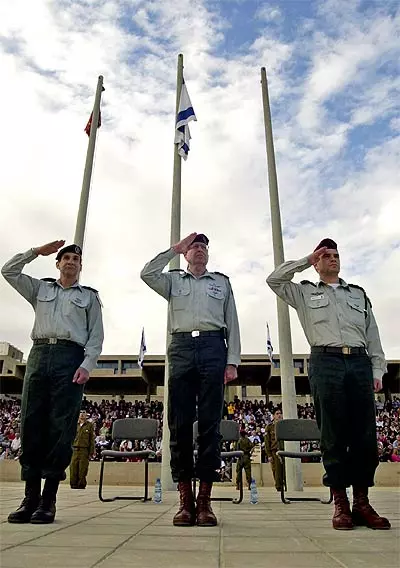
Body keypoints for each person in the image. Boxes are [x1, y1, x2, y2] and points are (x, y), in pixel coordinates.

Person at [267, 238, 390, 530]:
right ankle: (340, 503)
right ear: (318, 262)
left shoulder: (358, 294)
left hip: (359, 362)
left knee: (364, 435)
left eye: (335, 254)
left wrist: (377, 369)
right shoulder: (304, 292)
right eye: (326, 255)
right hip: (326, 361)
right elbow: (274, 279)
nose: (332, 259)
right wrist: (306, 259)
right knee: (332, 434)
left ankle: (361, 501)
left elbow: (372, 333)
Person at [141, 232, 241, 527]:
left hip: (213, 346)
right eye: (195, 246)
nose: (199, 250)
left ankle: (205, 501)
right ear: (186, 254)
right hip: (182, 347)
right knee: (180, 424)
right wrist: (174, 248)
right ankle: (185, 500)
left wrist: (232, 360)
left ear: (208, 255)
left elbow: (232, 320)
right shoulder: (173, 280)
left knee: (211, 425)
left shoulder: (221, 282)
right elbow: (146, 273)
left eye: (204, 247)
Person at [2, 241, 104, 524]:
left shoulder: (90, 297)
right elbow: (8, 271)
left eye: (76, 259)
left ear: (81, 267)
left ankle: (48, 500)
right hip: (40, 353)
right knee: (31, 423)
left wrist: (87, 365)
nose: (71, 262)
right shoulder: (41, 289)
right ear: (57, 264)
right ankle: (29, 498)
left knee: (61, 427)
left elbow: (96, 335)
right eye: (66, 258)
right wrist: (36, 252)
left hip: (70, 357)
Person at [70, 410, 95, 489]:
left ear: (86, 415)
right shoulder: (74, 424)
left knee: (82, 468)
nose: (82, 414)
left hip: (84, 450)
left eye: (84, 413)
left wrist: (91, 451)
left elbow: (91, 439)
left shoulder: (89, 425)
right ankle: (73, 484)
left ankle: (81, 484)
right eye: (80, 413)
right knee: (73, 467)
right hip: (74, 449)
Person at [265, 408, 285, 492]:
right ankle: (279, 487)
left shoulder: (285, 426)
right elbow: (267, 442)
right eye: (277, 413)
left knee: (285, 470)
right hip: (275, 451)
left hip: (284, 450)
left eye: (280, 413)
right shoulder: (270, 427)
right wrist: (269, 454)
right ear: (273, 416)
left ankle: (286, 486)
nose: (279, 415)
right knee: (277, 470)